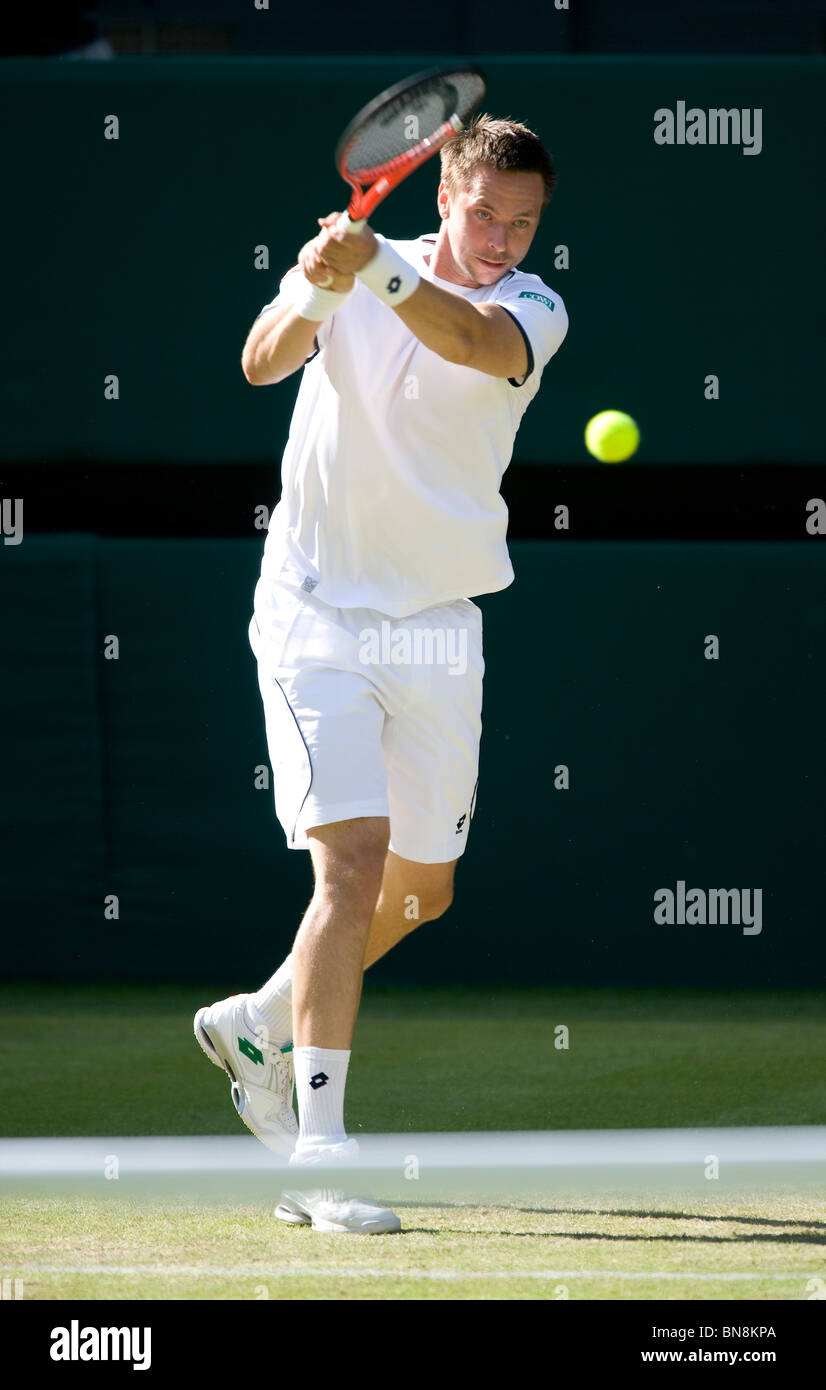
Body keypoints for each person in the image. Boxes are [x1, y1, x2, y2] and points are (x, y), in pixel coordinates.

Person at [195, 116, 569, 1234]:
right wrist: (316, 286)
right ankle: (316, 1153)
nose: (503, 236)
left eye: (524, 221)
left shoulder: (536, 308)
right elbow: (260, 361)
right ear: (445, 192)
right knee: (350, 866)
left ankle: (261, 1017)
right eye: (485, 212)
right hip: (314, 610)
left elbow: (467, 343)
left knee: (424, 887)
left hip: (439, 626)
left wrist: (377, 268)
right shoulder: (360, 268)